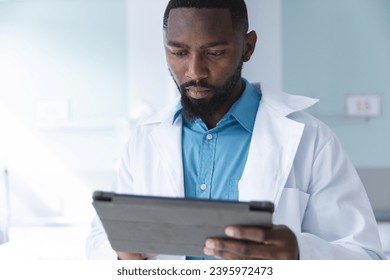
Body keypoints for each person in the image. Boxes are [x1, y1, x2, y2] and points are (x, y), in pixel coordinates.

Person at [86, 0, 385, 260]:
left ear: (248, 47)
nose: (194, 72)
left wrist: (299, 254)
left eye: (214, 53)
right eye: (178, 53)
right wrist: (120, 253)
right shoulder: (144, 139)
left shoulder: (311, 139)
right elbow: (100, 241)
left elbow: (366, 258)